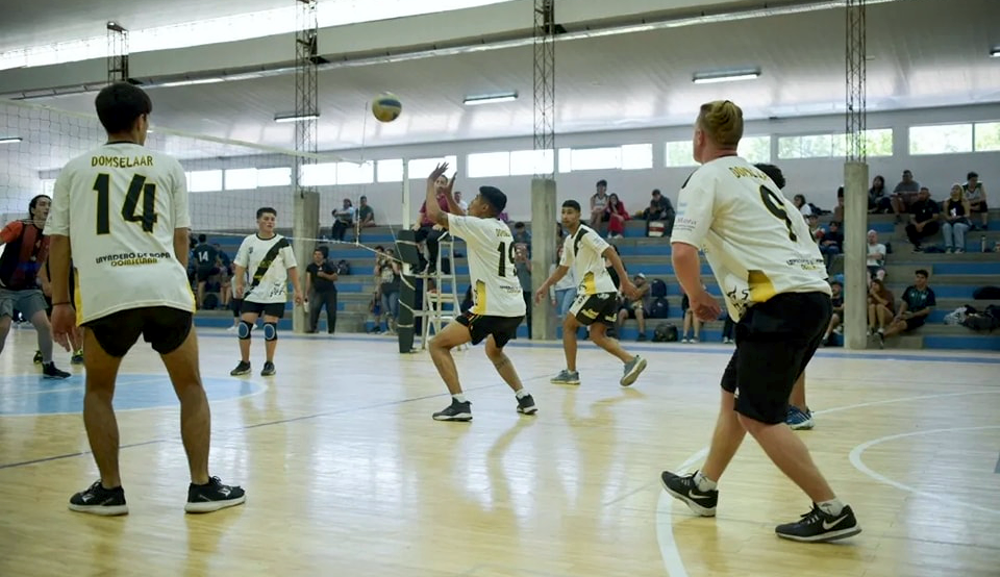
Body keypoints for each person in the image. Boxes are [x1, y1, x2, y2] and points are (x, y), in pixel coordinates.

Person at [659, 100, 860, 543]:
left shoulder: (704, 177)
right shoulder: (758, 177)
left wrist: (697, 296)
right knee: (734, 394)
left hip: (778, 303)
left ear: (699, 137)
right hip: (810, 295)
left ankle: (831, 510)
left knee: (759, 418)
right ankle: (704, 487)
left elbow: (682, 250)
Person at [46, 82, 245, 515]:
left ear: (103, 120)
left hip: (105, 292)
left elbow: (58, 242)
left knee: (98, 391)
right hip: (162, 289)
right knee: (190, 388)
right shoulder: (168, 166)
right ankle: (201, 487)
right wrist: (174, 285)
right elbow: (180, 237)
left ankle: (110, 491)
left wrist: (61, 303)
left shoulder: (74, 170)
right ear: (142, 120)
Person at [422, 163, 536, 422]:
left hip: (491, 307)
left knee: (437, 344)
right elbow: (462, 221)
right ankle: (524, 398)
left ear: (484, 208)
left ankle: (459, 404)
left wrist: (431, 183)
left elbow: (434, 214)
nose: (470, 202)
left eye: (474, 199)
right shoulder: (500, 227)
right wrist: (449, 196)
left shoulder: (480, 227)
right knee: (494, 351)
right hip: (515, 307)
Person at [534, 200, 647, 388]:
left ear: (579, 215)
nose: (565, 216)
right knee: (596, 335)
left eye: (570, 212)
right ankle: (630, 361)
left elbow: (610, 252)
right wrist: (545, 285)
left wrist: (625, 281)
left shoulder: (585, 233)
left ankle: (571, 373)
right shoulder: (569, 241)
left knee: (568, 325)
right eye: (563, 212)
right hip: (606, 292)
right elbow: (562, 269)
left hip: (595, 290)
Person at [0, 195, 71, 378]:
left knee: (45, 326)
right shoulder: (18, 226)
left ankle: (48, 366)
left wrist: (46, 283)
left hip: (28, 289)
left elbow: (41, 262)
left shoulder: (51, 234)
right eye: (42, 204)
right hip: (4, 288)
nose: (47, 207)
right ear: (33, 210)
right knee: (3, 327)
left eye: (49, 204)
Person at [230, 207, 303, 377]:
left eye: (272, 219)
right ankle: (245, 363)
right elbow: (240, 264)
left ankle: (269, 363)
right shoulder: (249, 241)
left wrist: (298, 290)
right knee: (243, 327)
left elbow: (292, 267)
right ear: (258, 221)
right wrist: (239, 283)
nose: (270, 222)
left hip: (275, 293)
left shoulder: (282, 242)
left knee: (269, 328)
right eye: (266, 219)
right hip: (254, 291)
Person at [305, 247, 338, 334]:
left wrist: (324, 275)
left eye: (319, 254)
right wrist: (306, 293)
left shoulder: (328, 266)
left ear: (323, 256)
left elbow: (335, 277)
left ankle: (331, 330)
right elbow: (308, 281)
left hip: (330, 291)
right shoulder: (310, 267)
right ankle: (313, 328)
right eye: (315, 254)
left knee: (331, 311)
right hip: (318, 292)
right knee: (315, 309)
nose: (317, 256)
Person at [192, 233, 219, 309]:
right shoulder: (210, 248)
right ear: (206, 239)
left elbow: (195, 261)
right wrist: (221, 264)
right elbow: (217, 258)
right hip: (210, 267)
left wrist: (198, 268)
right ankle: (215, 284)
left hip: (201, 268)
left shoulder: (197, 249)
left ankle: (200, 303)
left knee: (201, 284)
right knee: (220, 271)